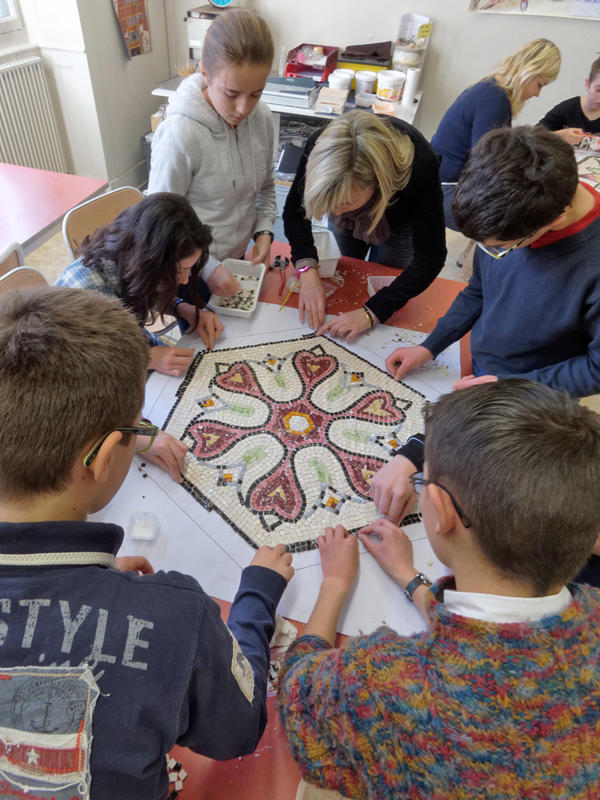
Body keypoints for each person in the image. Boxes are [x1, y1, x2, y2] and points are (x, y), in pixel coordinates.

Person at [0, 286, 294, 800]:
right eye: (137, 429)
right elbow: (240, 728)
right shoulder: (175, 615)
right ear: (109, 454)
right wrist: (258, 596)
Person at [278, 379, 600, 799]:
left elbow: (297, 695)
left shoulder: (383, 683)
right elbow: (498, 637)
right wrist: (410, 577)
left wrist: (335, 584)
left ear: (441, 511)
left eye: (422, 482)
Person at [386, 125, 600, 399]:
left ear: (553, 221)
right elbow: (478, 290)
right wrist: (430, 346)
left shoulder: (590, 264)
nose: (488, 252)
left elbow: (595, 370)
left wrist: (508, 387)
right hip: (488, 372)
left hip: (535, 395)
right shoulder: (508, 215)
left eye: (499, 248)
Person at [56, 192, 229, 482]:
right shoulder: (85, 294)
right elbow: (77, 397)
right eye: (179, 271)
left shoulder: (129, 261)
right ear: (150, 260)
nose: (185, 281)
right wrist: (141, 436)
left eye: (189, 270)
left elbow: (138, 293)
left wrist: (181, 306)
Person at [283, 109, 446, 340]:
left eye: (346, 202)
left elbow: (430, 259)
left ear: (378, 185)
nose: (336, 213)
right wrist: (307, 271)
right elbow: (294, 214)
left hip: (400, 218)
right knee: (348, 269)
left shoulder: (421, 166)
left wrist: (372, 312)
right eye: (331, 204)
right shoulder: (320, 147)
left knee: (387, 272)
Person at [148, 9, 276, 281]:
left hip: (237, 259)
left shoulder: (261, 116)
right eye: (231, 94)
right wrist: (207, 269)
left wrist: (263, 231)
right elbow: (161, 224)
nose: (244, 108)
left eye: (256, 93)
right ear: (205, 73)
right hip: (189, 270)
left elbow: (266, 186)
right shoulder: (180, 134)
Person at [431, 39, 560, 228]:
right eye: (540, 85)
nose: (537, 94)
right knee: (513, 218)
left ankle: (471, 255)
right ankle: (478, 255)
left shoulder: (489, 87)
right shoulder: (495, 99)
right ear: (529, 73)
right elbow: (489, 164)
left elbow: (498, 149)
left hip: (441, 175)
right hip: (442, 186)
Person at [539, 55, 600, 145]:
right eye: (598, 90)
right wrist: (559, 136)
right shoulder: (567, 108)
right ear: (587, 84)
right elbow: (533, 137)